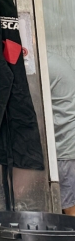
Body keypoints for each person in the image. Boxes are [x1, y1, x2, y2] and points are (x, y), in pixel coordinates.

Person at [47, 48, 75, 216]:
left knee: (70, 208)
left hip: (65, 145)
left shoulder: (44, 65)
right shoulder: (54, 59)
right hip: (67, 142)